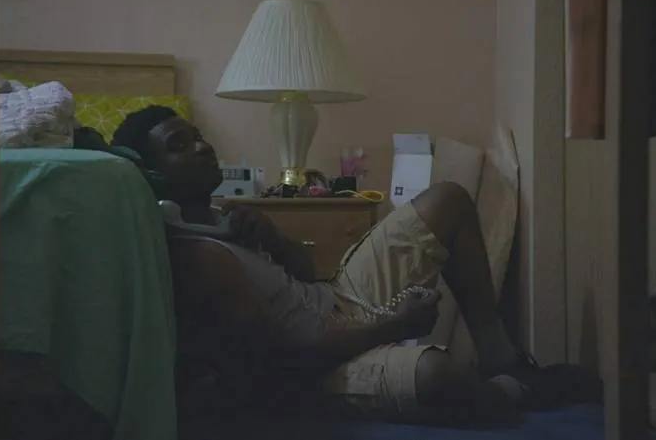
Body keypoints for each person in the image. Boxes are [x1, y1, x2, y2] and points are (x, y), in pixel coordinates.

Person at [111, 105, 602, 427]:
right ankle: (510, 391)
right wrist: (394, 326)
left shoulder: (224, 217)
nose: (202, 146)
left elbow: (307, 271)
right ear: (150, 175)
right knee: (439, 374)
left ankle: (501, 357)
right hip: (315, 364)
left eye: (197, 136)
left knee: (449, 200)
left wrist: (273, 238)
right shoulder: (196, 257)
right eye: (179, 145)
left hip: (335, 300)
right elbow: (283, 353)